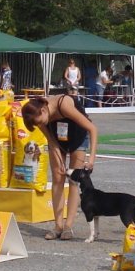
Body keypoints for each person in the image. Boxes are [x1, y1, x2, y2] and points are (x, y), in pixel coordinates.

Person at [21, 94, 97, 240]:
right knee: (57, 176)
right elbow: (50, 139)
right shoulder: (39, 116)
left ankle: (68, 226)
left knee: (74, 180)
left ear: (43, 111)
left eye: (39, 122)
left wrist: (91, 159)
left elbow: (92, 129)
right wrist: (59, 159)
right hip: (57, 137)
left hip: (78, 136)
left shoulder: (64, 104)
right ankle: (58, 226)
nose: (39, 125)